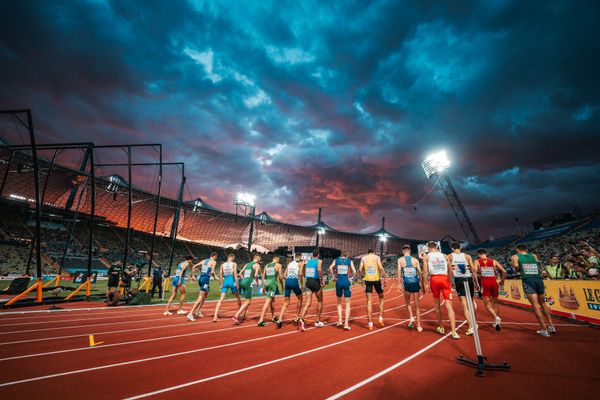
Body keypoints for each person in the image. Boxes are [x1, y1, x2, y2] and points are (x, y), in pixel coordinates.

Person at [511, 245, 556, 337]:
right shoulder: (534, 255)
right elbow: (537, 264)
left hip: (528, 280)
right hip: (538, 279)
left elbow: (516, 267)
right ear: (526, 249)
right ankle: (551, 326)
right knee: (543, 303)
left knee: (535, 305)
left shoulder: (515, 256)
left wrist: (518, 268)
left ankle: (544, 329)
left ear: (517, 250)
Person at [423, 241, 459, 339]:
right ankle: (454, 331)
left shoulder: (426, 256)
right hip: (445, 279)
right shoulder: (444, 255)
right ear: (437, 247)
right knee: (449, 306)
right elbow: (450, 269)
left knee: (437, 304)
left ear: (429, 248)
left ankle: (441, 326)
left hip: (434, 279)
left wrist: (426, 283)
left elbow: (425, 271)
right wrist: (451, 280)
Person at [449, 242, 478, 336]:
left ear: (453, 248)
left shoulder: (450, 256)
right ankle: (473, 322)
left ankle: (471, 326)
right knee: (470, 302)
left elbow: (449, 270)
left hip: (459, 280)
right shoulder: (467, 256)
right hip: (469, 279)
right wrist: (476, 282)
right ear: (460, 248)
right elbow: (474, 270)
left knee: (464, 304)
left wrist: (450, 281)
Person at [474, 248, 506, 331]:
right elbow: (504, 271)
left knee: (487, 304)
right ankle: (496, 322)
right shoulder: (494, 261)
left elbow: (474, 272)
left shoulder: (477, 261)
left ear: (478, 254)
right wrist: (502, 281)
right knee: (495, 304)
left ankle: (496, 317)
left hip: (485, 284)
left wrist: (477, 284)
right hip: (494, 283)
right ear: (486, 253)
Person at [397, 245, 423, 332]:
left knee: (408, 303)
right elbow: (420, 272)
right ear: (410, 251)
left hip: (407, 284)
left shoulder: (400, 260)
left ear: (403, 251)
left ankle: (411, 317)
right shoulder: (415, 260)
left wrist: (398, 284)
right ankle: (419, 325)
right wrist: (422, 284)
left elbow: (399, 272)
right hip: (415, 283)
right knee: (417, 305)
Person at [359, 249, 386, 330]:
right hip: (376, 280)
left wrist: (360, 280)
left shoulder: (363, 258)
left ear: (368, 253)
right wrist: (385, 279)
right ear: (373, 253)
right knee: (381, 298)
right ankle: (380, 318)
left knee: (369, 302)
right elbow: (381, 268)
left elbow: (360, 270)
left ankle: (370, 324)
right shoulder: (377, 257)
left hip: (368, 281)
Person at [275, 254, 304, 329]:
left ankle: (280, 319)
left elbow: (284, 275)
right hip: (294, 281)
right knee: (300, 298)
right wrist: (302, 284)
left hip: (287, 281)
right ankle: (297, 317)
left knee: (286, 302)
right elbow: (300, 274)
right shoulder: (301, 263)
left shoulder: (290, 264)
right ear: (300, 257)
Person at [298, 250, 325, 331]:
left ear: (313, 255)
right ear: (318, 255)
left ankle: (301, 319)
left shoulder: (308, 261)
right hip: (315, 281)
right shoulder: (319, 261)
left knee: (308, 302)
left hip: (308, 282)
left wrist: (303, 280)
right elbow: (319, 269)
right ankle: (317, 321)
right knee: (320, 301)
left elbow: (302, 272)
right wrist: (322, 279)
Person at [329, 253, 356, 330]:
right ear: (346, 255)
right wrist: (353, 280)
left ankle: (340, 320)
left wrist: (333, 277)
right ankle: (346, 323)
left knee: (339, 303)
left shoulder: (336, 260)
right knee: (347, 303)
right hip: (346, 282)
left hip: (338, 282)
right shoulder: (349, 261)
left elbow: (330, 268)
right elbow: (354, 272)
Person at [187, 252, 218, 321]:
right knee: (201, 296)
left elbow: (194, 266)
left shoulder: (204, 260)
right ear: (214, 256)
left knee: (205, 294)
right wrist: (215, 278)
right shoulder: (213, 262)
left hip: (200, 278)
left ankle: (198, 311)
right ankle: (191, 313)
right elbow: (212, 272)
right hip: (205, 279)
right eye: (216, 257)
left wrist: (193, 276)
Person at [212, 254, 242, 322]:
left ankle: (215, 316)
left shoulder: (222, 265)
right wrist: (237, 284)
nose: (234, 259)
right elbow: (234, 274)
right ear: (231, 257)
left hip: (225, 281)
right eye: (234, 258)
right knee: (238, 297)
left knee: (221, 299)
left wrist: (221, 284)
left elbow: (220, 275)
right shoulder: (234, 264)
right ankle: (240, 313)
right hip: (231, 281)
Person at [232, 254, 261, 324]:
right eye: (260, 259)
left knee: (248, 301)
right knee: (248, 301)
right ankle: (236, 315)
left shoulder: (247, 264)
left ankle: (244, 316)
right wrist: (257, 283)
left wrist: (244, 279)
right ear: (257, 259)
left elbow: (240, 273)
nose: (260, 261)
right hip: (249, 282)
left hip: (243, 282)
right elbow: (256, 275)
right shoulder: (257, 265)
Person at [257, 256, 284, 327]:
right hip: (272, 283)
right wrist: (282, 285)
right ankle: (261, 320)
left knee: (272, 300)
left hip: (267, 282)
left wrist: (263, 286)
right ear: (277, 259)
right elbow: (280, 277)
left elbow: (263, 276)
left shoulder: (267, 265)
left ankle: (273, 316)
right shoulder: (278, 265)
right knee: (268, 301)